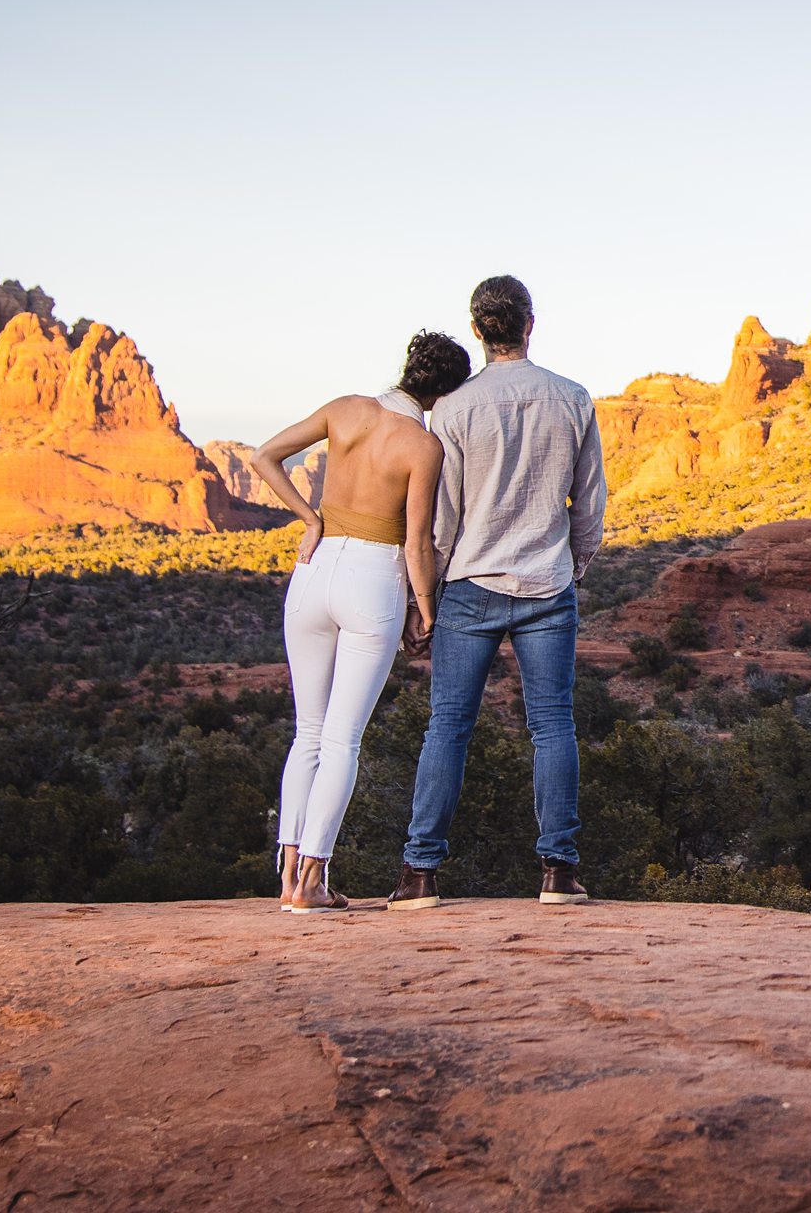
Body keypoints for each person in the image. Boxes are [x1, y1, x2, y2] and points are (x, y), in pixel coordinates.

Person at [390, 274, 607, 910]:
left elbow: (442, 520)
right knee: (552, 726)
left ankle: (420, 874)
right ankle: (558, 873)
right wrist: (574, 564)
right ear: (529, 324)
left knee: (448, 728)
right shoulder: (573, 397)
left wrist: (420, 596)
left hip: (470, 583)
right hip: (547, 582)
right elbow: (588, 501)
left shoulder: (453, 409)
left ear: (479, 329)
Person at [246, 330, 474, 913]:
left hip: (314, 569)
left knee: (309, 736)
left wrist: (308, 517)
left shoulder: (345, 409)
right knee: (343, 740)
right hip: (374, 577)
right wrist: (426, 613)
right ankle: (313, 885)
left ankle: (288, 876)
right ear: (443, 393)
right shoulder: (423, 446)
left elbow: (263, 456)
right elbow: (418, 545)